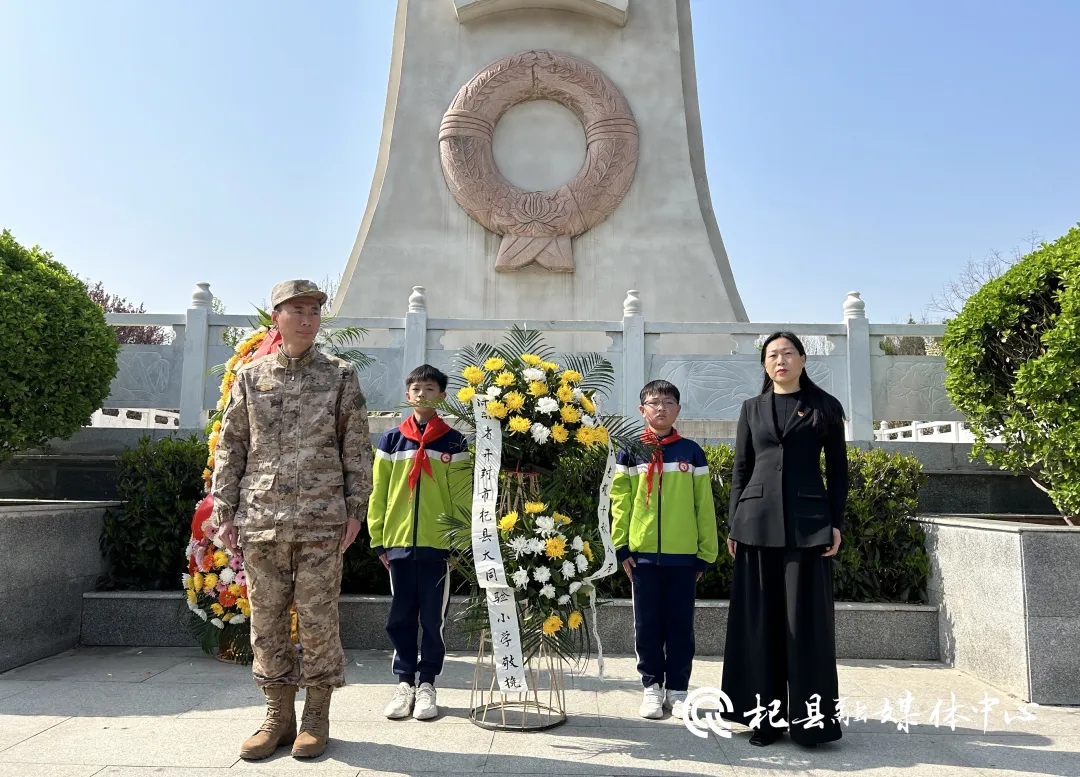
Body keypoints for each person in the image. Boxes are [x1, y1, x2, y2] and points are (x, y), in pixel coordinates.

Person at [211, 279, 373, 760]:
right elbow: (232, 445)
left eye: (314, 311)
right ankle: (277, 717)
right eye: (297, 310)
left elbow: (356, 446)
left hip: (322, 519)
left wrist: (356, 509)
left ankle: (316, 717)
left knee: (319, 619)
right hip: (262, 517)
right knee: (267, 620)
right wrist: (225, 511)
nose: (307, 319)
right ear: (276, 317)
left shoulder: (339, 375)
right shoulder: (250, 377)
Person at [721, 331, 848, 747]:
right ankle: (764, 720)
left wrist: (835, 523)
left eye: (788, 353)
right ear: (764, 364)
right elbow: (741, 469)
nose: (781, 360)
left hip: (807, 528)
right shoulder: (751, 408)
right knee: (759, 625)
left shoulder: (825, 408)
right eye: (773, 354)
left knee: (805, 625)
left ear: (803, 359)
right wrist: (734, 523)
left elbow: (839, 472)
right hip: (754, 526)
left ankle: (811, 724)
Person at [611, 380, 718, 720]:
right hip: (642, 557)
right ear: (642, 410)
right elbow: (619, 501)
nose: (661, 408)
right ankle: (652, 687)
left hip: (683, 557)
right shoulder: (630, 451)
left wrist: (705, 553)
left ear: (678, 409)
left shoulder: (691, 452)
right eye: (654, 402)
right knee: (647, 626)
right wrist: (621, 546)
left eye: (668, 402)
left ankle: (678, 691)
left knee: (680, 626)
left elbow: (704, 505)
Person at [368, 364, 471, 721]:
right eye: (416, 389)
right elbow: (379, 492)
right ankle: (404, 683)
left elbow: (462, 495)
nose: (422, 394)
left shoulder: (455, 442)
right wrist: (378, 539)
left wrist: (458, 542)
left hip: (438, 545)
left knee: (432, 617)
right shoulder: (391, 441)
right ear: (407, 394)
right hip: (397, 542)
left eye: (430, 389)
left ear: (442, 396)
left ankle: (427, 683)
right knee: (400, 615)